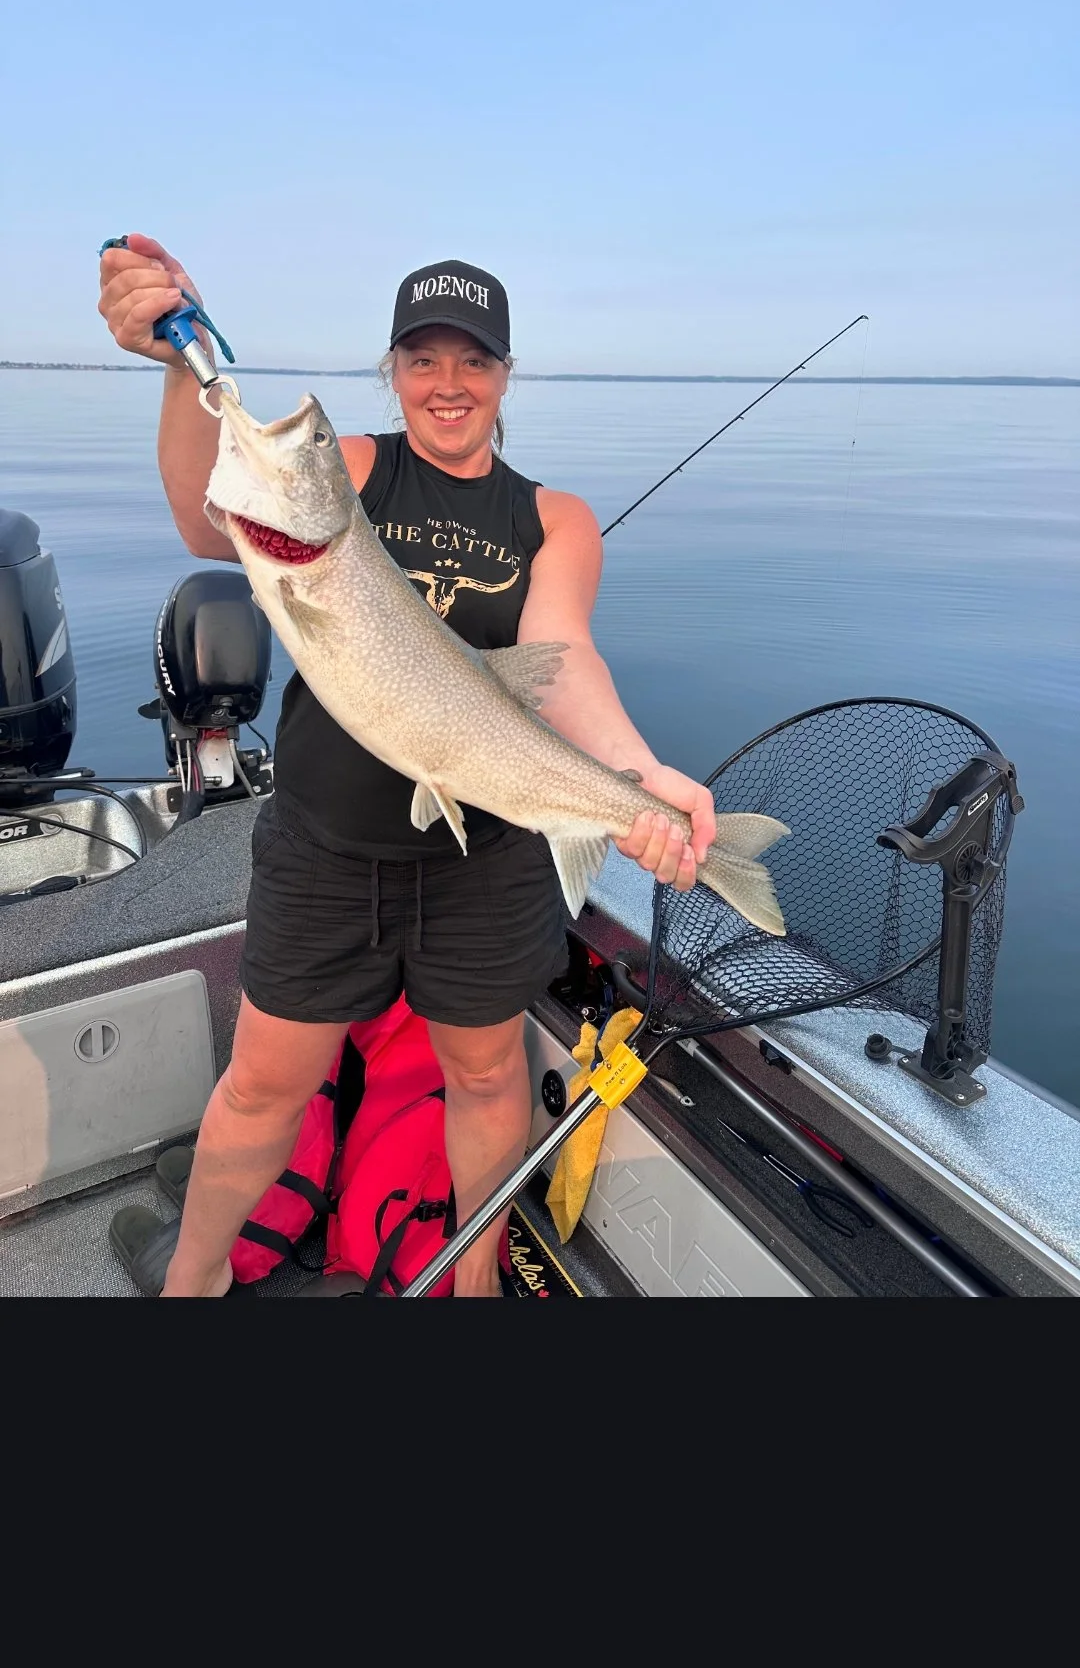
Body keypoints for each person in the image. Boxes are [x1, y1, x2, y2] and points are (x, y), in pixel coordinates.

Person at [98, 236, 717, 1297]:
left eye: (472, 361)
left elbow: (563, 661)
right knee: (260, 1089)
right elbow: (208, 518)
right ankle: (192, 1283)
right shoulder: (352, 471)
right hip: (326, 849)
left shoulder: (552, 519)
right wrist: (173, 367)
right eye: (423, 359)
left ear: (505, 376)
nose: (447, 384)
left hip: (486, 858)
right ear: (391, 370)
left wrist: (636, 775)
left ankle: (470, 1285)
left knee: (483, 1074)